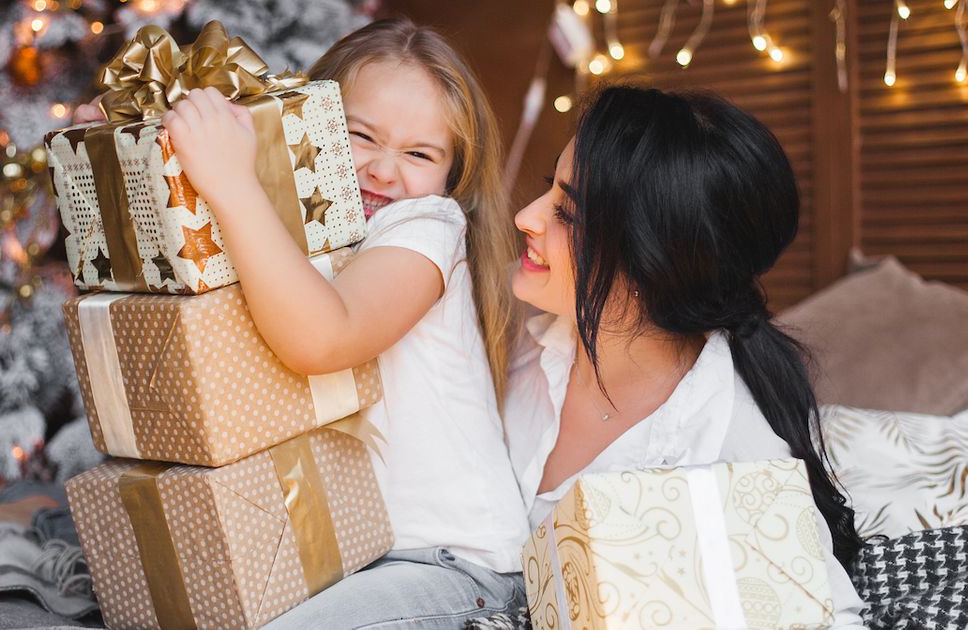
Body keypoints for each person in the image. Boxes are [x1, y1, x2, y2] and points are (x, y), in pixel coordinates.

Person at [163, 18, 530, 627]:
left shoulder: (428, 227)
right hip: (341, 557)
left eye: (419, 153)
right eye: (360, 136)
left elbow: (324, 336)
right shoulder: (288, 234)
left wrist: (229, 179)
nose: (384, 170)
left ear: (450, 176)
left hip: (452, 572)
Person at [504, 85, 867, 626]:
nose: (527, 218)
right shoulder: (529, 342)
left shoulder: (727, 454)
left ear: (655, 267)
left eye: (570, 215)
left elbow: (828, 615)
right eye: (548, 188)